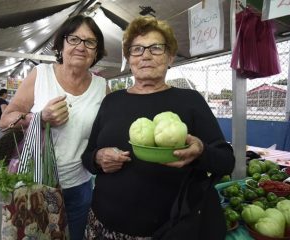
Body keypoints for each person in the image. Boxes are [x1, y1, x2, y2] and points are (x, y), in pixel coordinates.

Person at [81, 16, 235, 239]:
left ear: (170, 56)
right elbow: (87, 157)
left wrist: (200, 150)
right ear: (129, 58)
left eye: (155, 48)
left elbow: (226, 160)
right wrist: (97, 157)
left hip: (170, 229)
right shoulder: (111, 102)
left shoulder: (190, 101)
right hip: (104, 223)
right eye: (137, 49)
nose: (145, 55)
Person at [0, 14, 108, 240]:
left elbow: (104, 135)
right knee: (36, 236)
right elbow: (6, 119)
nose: (81, 46)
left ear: (96, 51)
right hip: (36, 182)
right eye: (74, 39)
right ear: (61, 44)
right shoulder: (41, 74)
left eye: (90, 42)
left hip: (80, 184)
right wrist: (37, 118)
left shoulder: (101, 87)